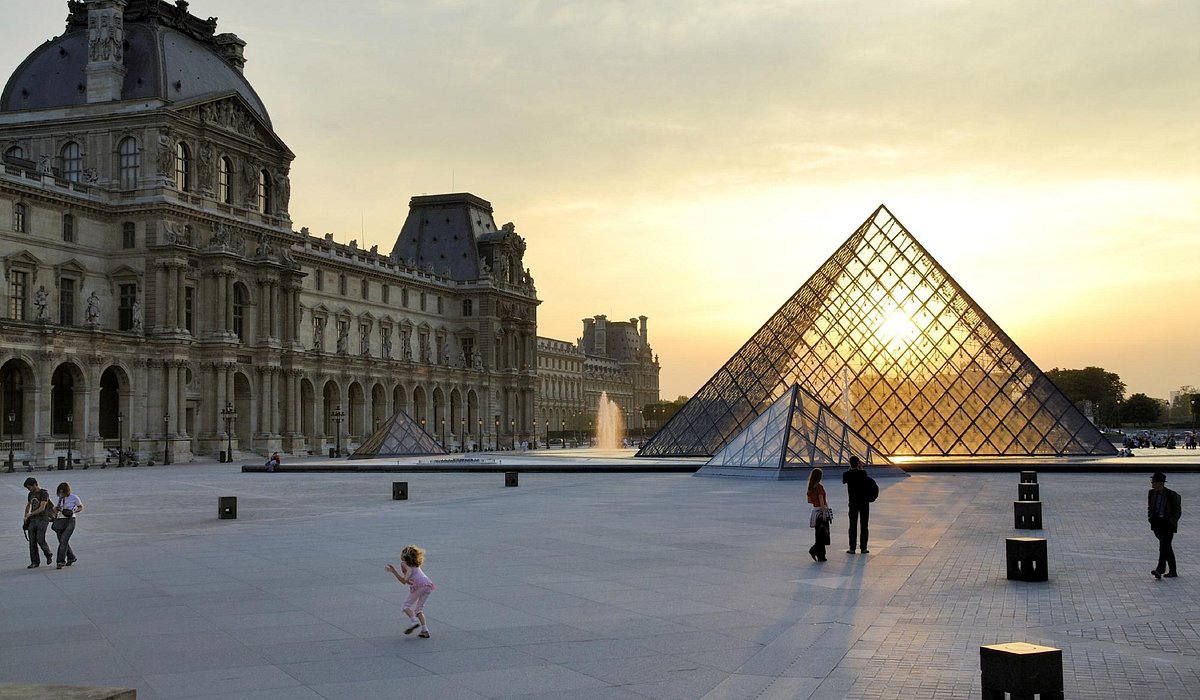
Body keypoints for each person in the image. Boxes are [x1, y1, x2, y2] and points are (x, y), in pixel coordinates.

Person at [386, 544, 436, 638]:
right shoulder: (416, 565)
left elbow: (404, 580)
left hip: (420, 585)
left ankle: (414, 622)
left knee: (406, 606)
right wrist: (406, 578)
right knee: (418, 610)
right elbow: (408, 581)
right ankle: (425, 630)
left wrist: (394, 572)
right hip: (428, 584)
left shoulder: (404, 563)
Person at [1148, 471, 1182, 579]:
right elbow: (1150, 507)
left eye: (1154, 481)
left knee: (1163, 547)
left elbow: (1177, 511)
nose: (1152, 483)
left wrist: (1172, 521)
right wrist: (1150, 518)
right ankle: (1173, 571)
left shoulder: (1172, 495)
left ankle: (1160, 570)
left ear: (1160, 483)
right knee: (1166, 547)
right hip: (1157, 523)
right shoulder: (1151, 493)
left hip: (1168, 523)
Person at [842, 455, 871, 554]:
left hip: (853, 502)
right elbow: (865, 479)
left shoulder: (846, 474)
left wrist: (851, 469)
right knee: (864, 525)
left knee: (852, 525)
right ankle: (863, 548)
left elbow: (844, 480)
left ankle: (852, 548)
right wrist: (860, 468)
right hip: (864, 503)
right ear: (858, 463)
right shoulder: (863, 473)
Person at [22, 477, 53, 568]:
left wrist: (31, 514)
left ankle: (48, 554)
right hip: (33, 520)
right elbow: (28, 505)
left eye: (29, 487)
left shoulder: (44, 493)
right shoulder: (30, 494)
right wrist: (25, 515)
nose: (28, 489)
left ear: (35, 484)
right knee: (32, 541)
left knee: (40, 538)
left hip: (43, 518)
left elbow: (42, 507)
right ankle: (34, 561)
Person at [52, 482, 83, 569]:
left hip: (70, 520)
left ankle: (60, 562)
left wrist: (74, 511)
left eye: (63, 492)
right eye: (60, 492)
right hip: (60, 520)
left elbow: (81, 507)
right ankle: (71, 557)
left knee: (63, 540)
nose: (61, 494)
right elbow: (56, 510)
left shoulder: (74, 497)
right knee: (62, 541)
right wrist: (55, 509)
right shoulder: (60, 498)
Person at [807, 468, 830, 562]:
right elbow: (821, 500)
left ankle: (821, 555)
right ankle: (816, 551)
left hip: (814, 512)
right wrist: (824, 513)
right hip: (821, 512)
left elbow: (809, 501)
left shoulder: (810, 487)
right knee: (823, 534)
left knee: (818, 534)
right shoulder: (819, 487)